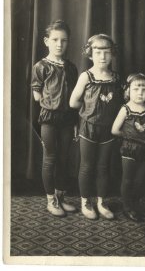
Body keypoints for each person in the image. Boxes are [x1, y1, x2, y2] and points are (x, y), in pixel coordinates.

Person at [69, 34, 122, 220]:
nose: (102, 56)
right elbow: (73, 102)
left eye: (106, 52)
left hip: (108, 129)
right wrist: (89, 111)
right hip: (88, 128)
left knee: (103, 166)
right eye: (98, 51)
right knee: (87, 166)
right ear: (90, 54)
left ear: (112, 54)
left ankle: (101, 201)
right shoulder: (86, 76)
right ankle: (85, 201)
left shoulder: (115, 78)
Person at [31, 20, 78, 217]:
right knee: (50, 158)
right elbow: (36, 95)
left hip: (68, 119)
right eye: (55, 40)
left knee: (64, 158)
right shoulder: (41, 66)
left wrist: (75, 121)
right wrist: (51, 105)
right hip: (49, 118)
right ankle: (51, 200)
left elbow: (75, 98)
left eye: (64, 40)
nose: (59, 44)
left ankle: (61, 197)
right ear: (46, 41)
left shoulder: (71, 68)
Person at [111, 73, 145, 222]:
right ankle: (127, 207)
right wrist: (130, 137)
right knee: (128, 180)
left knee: (140, 180)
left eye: (144, 89)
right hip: (129, 150)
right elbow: (114, 129)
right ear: (128, 91)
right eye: (136, 89)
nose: (140, 92)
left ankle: (136, 205)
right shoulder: (126, 109)